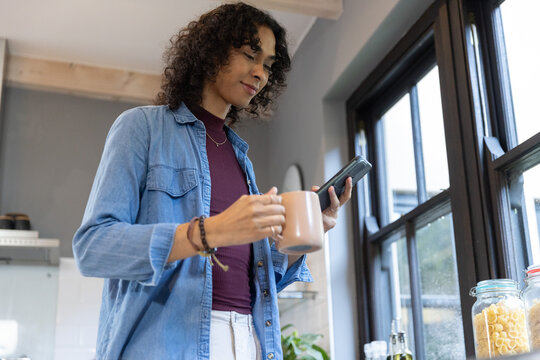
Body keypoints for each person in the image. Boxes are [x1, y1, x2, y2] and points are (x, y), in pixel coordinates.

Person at [73, 2, 352, 359]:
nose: (260, 73)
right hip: (169, 345)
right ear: (211, 52)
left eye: (267, 65)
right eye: (250, 55)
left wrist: (304, 238)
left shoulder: (241, 160)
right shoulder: (141, 128)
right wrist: (207, 233)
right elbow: (93, 248)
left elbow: (254, 287)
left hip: (248, 342)